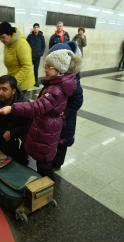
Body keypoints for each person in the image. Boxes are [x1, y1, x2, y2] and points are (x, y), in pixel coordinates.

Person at [0, 49, 81, 179]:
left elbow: (38, 107)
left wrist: (12, 108)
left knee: (44, 163)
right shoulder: (55, 85)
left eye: (49, 67)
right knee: (35, 152)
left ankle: (48, 188)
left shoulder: (56, 89)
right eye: (45, 66)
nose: (45, 69)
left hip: (47, 129)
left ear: (59, 70)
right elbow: (44, 104)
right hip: (45, 126)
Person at [47, 42, 84, 170]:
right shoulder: (55, 78)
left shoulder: (73, 81)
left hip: (66, 119)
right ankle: (51, 159)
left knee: (62, 142)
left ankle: (57, 164)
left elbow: (78, 101)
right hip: (56, 118)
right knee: (54, 139)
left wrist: (66, 113)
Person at [0, 21, 35, 93]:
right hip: (13, 81)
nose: (1, 40)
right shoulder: (8, 44)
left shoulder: (22, 44)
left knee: (19, 103)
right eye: (0, 38)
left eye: (3, 37)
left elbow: (27, 66)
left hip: (22, 82)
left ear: (10, 34)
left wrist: (12, 82)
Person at [27, 23, 46, 87]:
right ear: (33, 28)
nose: (36, 28)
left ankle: (36, 82)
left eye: (37, 27)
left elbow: (43, 46)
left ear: (39, 28)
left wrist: (41, 53)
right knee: (29, 70)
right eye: (35, 27)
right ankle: (29, 82)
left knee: (36, 70)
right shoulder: (30, 36)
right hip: (30, 56)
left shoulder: (41, 36)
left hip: (37, 57)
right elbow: (26, 45)